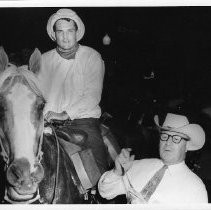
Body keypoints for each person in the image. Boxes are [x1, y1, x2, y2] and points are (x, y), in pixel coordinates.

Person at [38, 8, 108, 175]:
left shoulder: (92, 56)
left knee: (96, 171)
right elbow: (38, 94)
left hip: (82, 121)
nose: (65, 36)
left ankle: (98, 195)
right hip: (48, 123)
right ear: (54, 34)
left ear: (77, 32)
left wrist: (64, 114)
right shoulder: (43, 59)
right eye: (60, 31)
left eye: (70, 31)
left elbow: (92, 95)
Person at [98, 113, 208, 203]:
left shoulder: (195, 188)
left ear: (186, 146)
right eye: (164, 136)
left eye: (176, 138)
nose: (168, 143)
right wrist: (117, 172)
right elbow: (105, 192)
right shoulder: (137, 165)